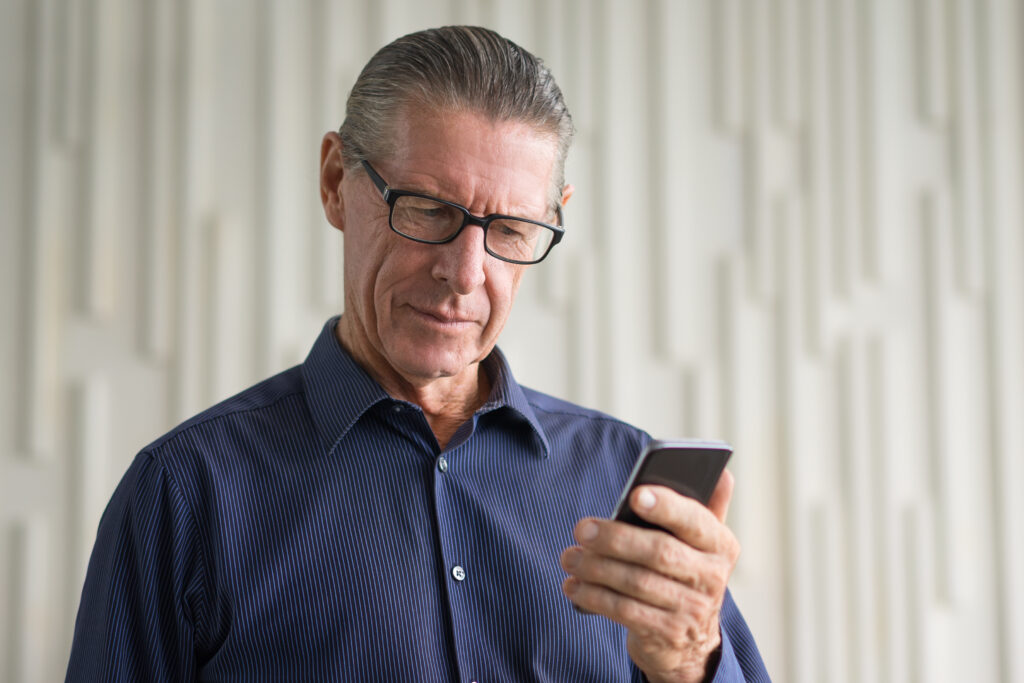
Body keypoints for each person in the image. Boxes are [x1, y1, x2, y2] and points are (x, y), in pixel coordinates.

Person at [66, 26, 769, 682]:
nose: (464, 272)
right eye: (429, 210)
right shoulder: (183, 493)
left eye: (513, 227)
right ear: (337, 180)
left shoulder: (624, 483)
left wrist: (691, 663)